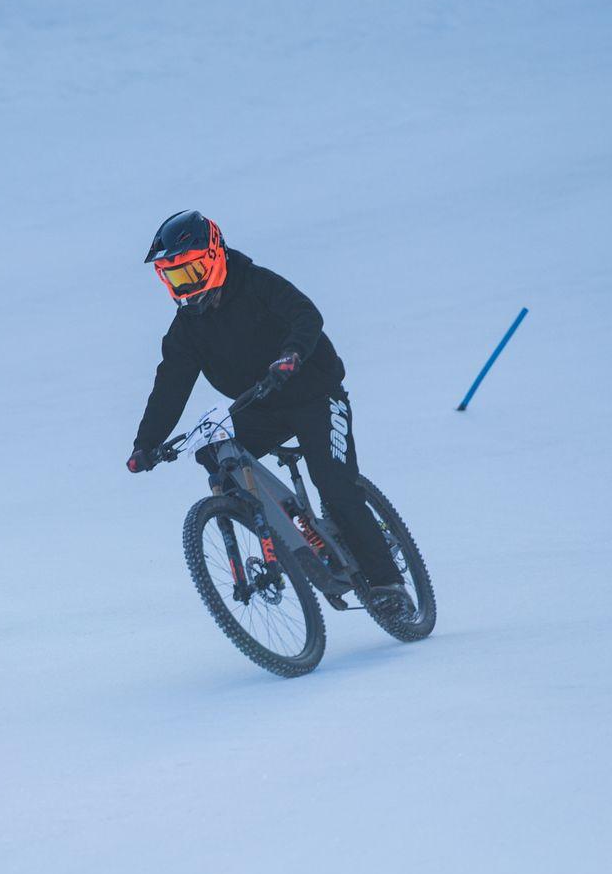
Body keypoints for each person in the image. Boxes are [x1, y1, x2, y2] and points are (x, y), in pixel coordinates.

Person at [126, 210, 414, 621]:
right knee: (214, 454)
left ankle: (388, 583)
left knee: (335, 486)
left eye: (191, 271)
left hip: (316, 395)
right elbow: (171, 384)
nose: (186, 287)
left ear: (215, 255)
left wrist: (292, 355)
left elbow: (306, 315)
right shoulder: (187, 328)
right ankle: (279, 532)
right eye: (175, 278)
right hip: (261, 405)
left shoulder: (256, 283)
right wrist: (146, 444)